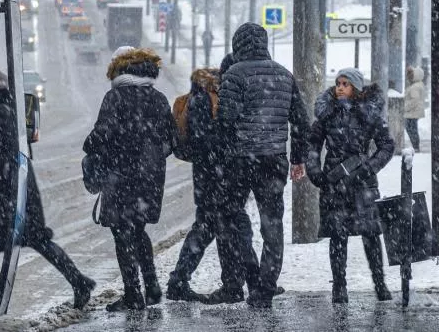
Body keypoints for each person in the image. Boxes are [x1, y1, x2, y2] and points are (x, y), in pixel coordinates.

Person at [0, 65, 95, 310]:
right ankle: (79, 281)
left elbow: (0, 156)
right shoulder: (10, 108)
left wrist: (1, 195)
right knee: (34, 239)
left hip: (7, 188)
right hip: (16, 185)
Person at [217, 22, 311, 308]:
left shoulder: (234, 73)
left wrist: (222, 154)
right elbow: (301, 122)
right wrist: (297, 158)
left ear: (238, 45)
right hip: (273, 160)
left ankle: (252, 275)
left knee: (233, 219)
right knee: (272, 227)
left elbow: (226, 120)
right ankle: (265, 289)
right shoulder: (284, 75)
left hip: (241, 160)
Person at [83, 47, 175, 312]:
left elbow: (101, 134)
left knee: (123, 233)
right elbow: (170, 140)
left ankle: (134, 295)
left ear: (120, 69)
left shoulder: (116, 97)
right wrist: (151, 162)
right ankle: (152, 285)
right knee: (138, 228)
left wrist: (90, 146)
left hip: (120, 177)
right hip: (150, 177)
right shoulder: (158, 99)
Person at [166, 57, 262, 304]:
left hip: (218, 177)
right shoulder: (204, 99)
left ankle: (184, 280)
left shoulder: (219, 97)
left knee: (217, 227)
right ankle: (248, 282)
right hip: (214, 178)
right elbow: (203, 141)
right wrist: (228, 148)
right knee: (228, 226)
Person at [306, 68, 394, 304]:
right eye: (338, 83)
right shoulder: (327, 114)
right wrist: (314, 170)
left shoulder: (369, 113)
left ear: (356, 87)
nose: (340, 87)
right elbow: (312, 144)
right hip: (334, 182)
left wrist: (368, 167)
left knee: (371, 235)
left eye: (345, 83)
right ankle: (339, 286)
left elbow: (387, 145)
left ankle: (380, 283)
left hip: (363, 183)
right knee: (338, 235)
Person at [404, 66, 426, 151]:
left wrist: (405, 108)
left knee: (411, 129)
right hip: (415, 111)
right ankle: (416, 145)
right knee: (412, 128)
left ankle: (416, 146)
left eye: (412, 74)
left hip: (412, 112)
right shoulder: (418, 85)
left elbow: (414, 100)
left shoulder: (415, 87)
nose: (409, 76)